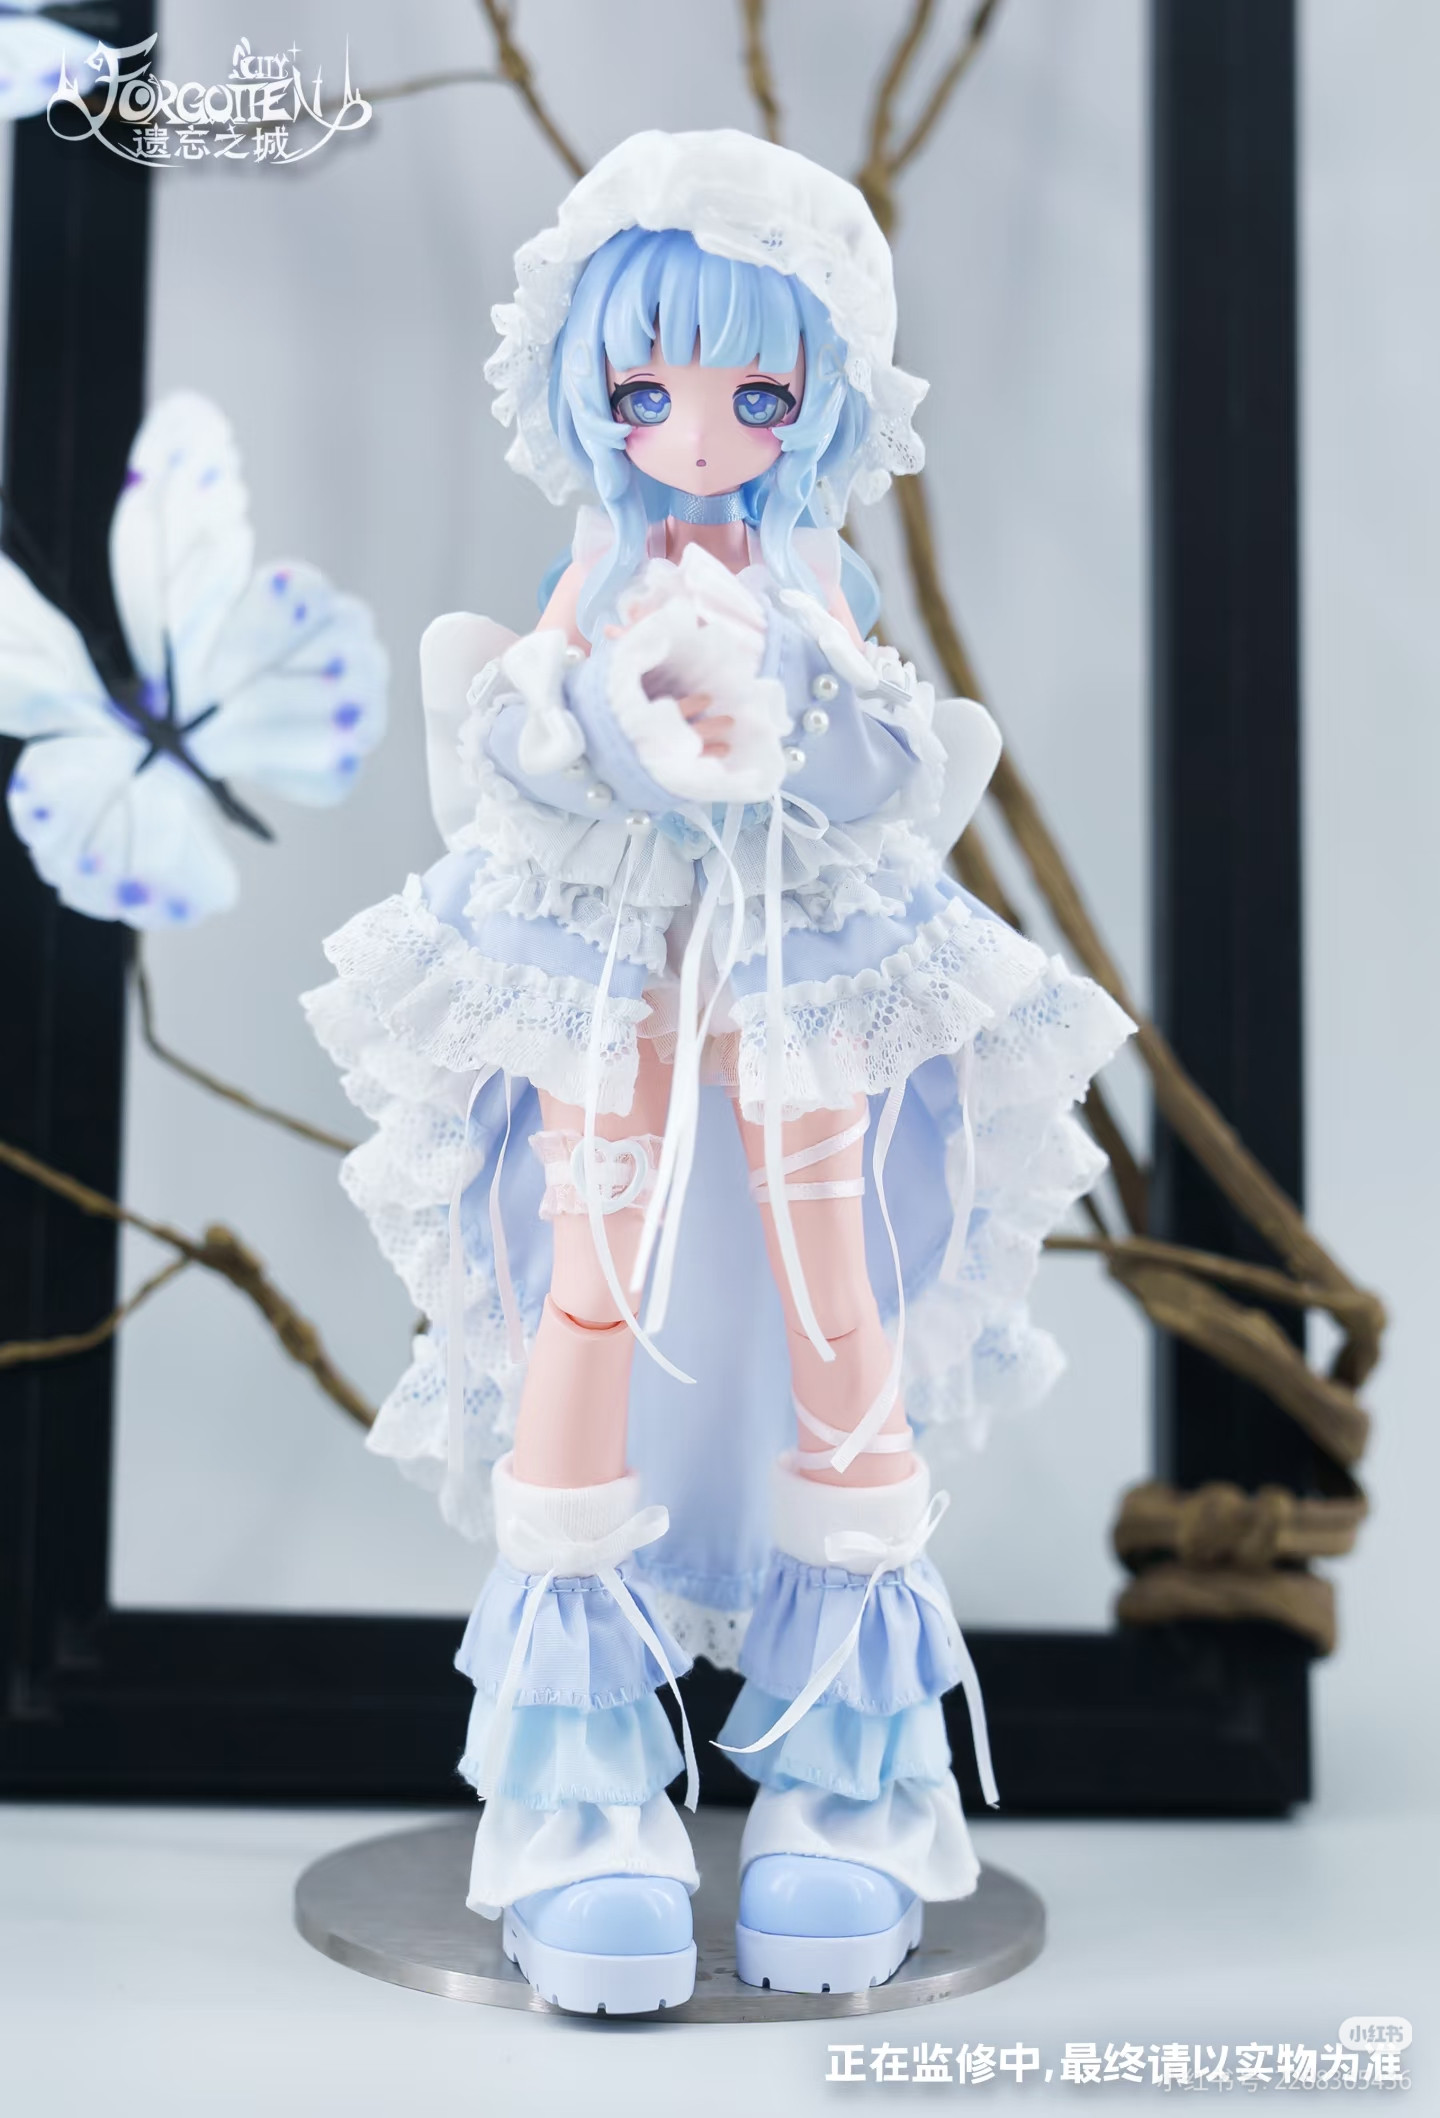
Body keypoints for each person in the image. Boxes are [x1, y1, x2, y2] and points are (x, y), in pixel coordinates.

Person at [305, 128, 1131, 2014]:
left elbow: (880, 762)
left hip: (796, 954)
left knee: (834, 1284)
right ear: (587, 394)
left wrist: (796, 710)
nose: (695, 434)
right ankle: (582, 1785)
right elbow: (514, 746)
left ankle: (850, 1768)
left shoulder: (810, 570)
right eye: (646, 391)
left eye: (755, 393)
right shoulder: (594, 573)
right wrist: (591, 715)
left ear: (820, 396)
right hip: (610, 955)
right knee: (589, 1282)